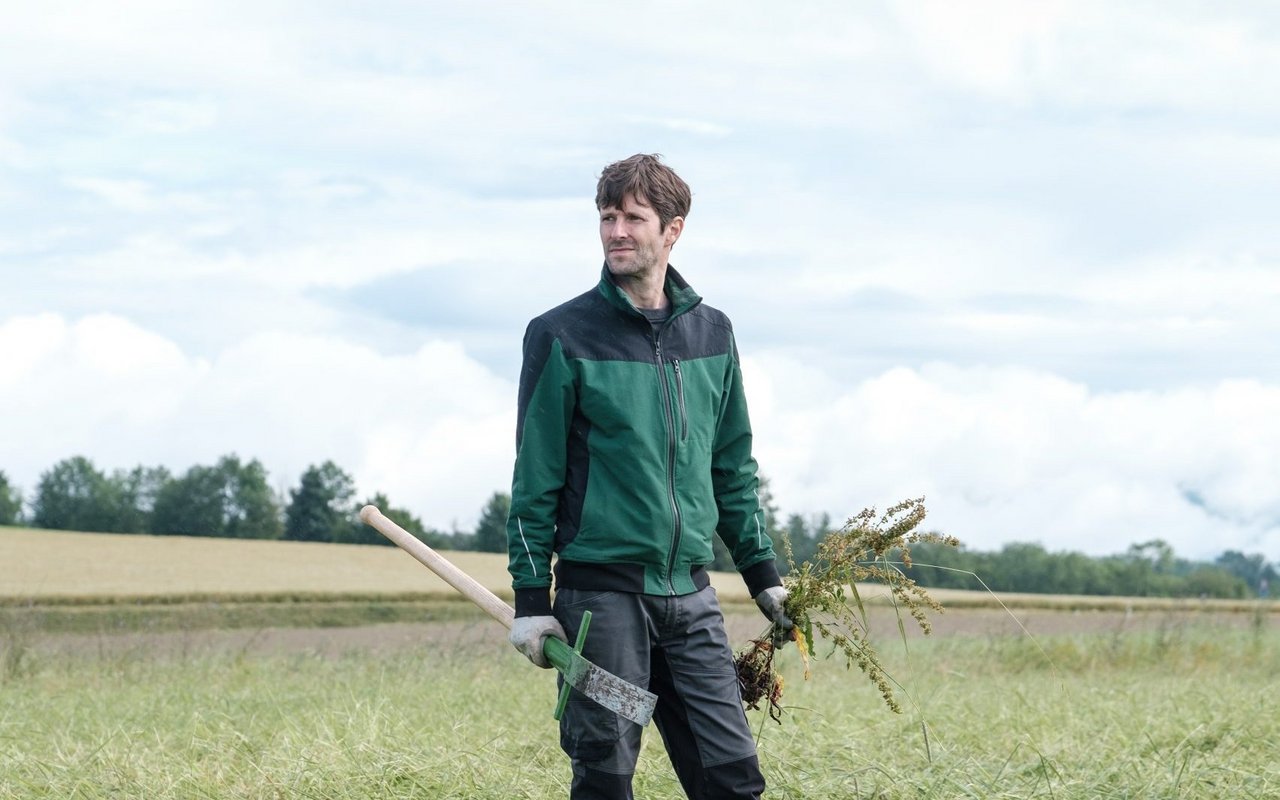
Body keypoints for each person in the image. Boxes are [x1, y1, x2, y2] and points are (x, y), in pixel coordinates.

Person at [504, 153, 793, 800]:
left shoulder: (712, 334)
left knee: (732, 775)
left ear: (673, 230)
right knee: (606, 776)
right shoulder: (561, 335)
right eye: (607, 217)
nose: (617, 232)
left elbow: (732, 469)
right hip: (600, 603)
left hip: (689, 598)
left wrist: (764, 578)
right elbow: (535, 480)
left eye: (634, 217)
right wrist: (530, 602)